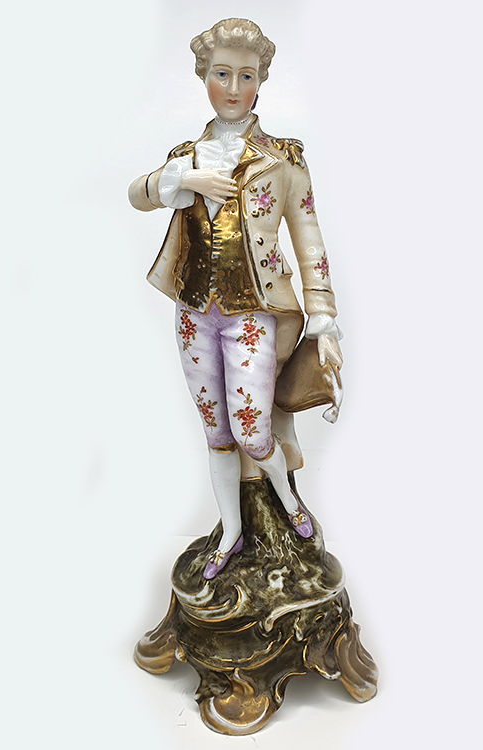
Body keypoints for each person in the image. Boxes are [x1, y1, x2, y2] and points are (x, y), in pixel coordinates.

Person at [128, 18, 343, 579]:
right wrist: (185, 180)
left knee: (252, 428)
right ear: (204, 76)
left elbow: (309, 236)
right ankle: (230, 531)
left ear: (260, 81)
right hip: (194, 313)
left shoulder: (283, 158)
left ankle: (287, 500)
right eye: (221, 73)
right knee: (217, 432)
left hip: (252, 315)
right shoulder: (186, 156)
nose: (232, 87)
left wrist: (322, 314)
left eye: (245, 76)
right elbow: (137, 195)